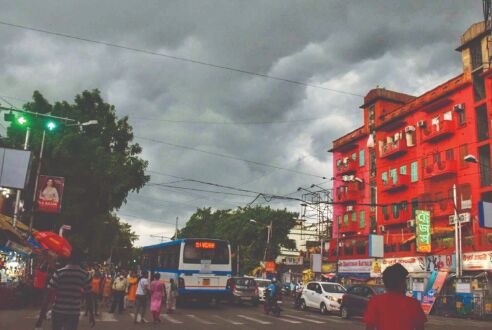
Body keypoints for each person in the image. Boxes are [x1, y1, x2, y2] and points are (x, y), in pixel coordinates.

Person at [36, 248, 95, 330]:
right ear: (81, 260)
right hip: (73, 312)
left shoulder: (59, 273)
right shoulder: (85, 275)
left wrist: (40, 318)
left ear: (69, 258)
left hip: (58, 311)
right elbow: (89, 296)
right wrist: (91, 315)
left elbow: (48, 297)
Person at [363, 263, 427, 330]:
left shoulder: (375, 301)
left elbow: (369, 327)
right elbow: (420, 328)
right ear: (402, 283)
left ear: (386, 284)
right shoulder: (413, 303)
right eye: (404, 280)